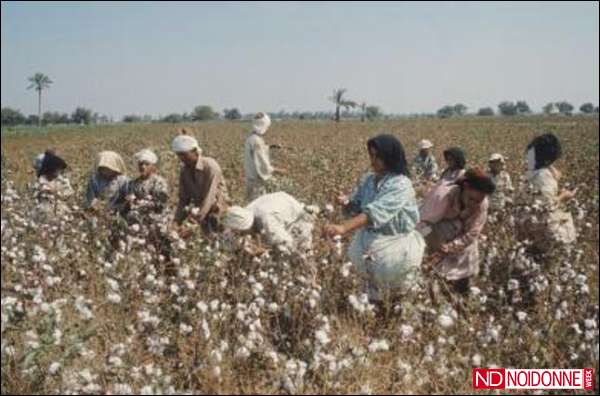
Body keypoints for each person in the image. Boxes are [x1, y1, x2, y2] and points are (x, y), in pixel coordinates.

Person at [324, 134, 425, 302]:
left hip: (395, 246)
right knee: (368, 293)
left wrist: (343, 228)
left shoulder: (401, 184)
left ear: (391, 157)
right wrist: (346, 203)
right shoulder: (369, 180)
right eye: (371, 155)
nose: (373, 160)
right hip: (370, 243)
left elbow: (376, 212)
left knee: (395, 294)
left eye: (378, 156)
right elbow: (357, 207)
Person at [417, 168, 495, 294]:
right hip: (431, 229)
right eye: (471, 199)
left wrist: (450, 247)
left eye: (478, 201)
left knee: (469, 249)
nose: (473, 204)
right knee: (435, 270)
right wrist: (437, 244)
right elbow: (420, 223)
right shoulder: (442, 196)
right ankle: (436, 284)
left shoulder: (482, 203)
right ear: (465, 186)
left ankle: (462, 286)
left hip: (457, 233)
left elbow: (472, 233)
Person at [519, 133, 576, 253]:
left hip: (539, 234)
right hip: (542, 233)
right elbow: (544, 207)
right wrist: (562, 196)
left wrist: (560, 194)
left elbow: (543, 205)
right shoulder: (542, 175)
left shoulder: (538, 175)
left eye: (530, 154)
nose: (527, 158)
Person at [223, 191, 317, 255]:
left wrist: (263, 251)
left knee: (299, 253)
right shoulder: (242, 214)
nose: (239, 235)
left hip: (298, 218)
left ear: (247, 227)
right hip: (280, 203)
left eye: (241, 233)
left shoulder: (268, 222)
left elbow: (287, 244)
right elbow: (228, 240)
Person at [171, 132, 229, 235]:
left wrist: (192, 224)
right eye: (179, 155)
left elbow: (209, 198)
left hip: (218, 211)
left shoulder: (210, 166)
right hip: (200, 211)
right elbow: (183, 199)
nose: (181, 159)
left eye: (184, 155)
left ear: (195, 152)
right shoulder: (184, 171)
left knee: (219, 239)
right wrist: (176, 222)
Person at [114, 149, 169, 220]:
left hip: (156, 216)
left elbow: (161, 203)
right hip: (137, 216)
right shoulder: (134, 183)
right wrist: (129, 202)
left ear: (153, 166)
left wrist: (143, 204)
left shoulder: (159, 182)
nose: (143, 167)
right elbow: (130, 199)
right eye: (141, 164)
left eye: (147, 164)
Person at [244, 112, 286, 200]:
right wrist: (277, 170)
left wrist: (270, 147)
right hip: (256, 183)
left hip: (251, 181)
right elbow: (262, 164)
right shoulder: (257, 141)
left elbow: (258, 152)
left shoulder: (252, 138)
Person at [32, 150, 73, 221]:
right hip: (44, 216)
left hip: (61, 215)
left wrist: (57, 193)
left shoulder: (63, 181)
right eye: (57, 170)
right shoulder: (40, 183)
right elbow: (34, 198)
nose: (59, 172)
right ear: (50, 170)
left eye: (60, 170)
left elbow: (69, 193)